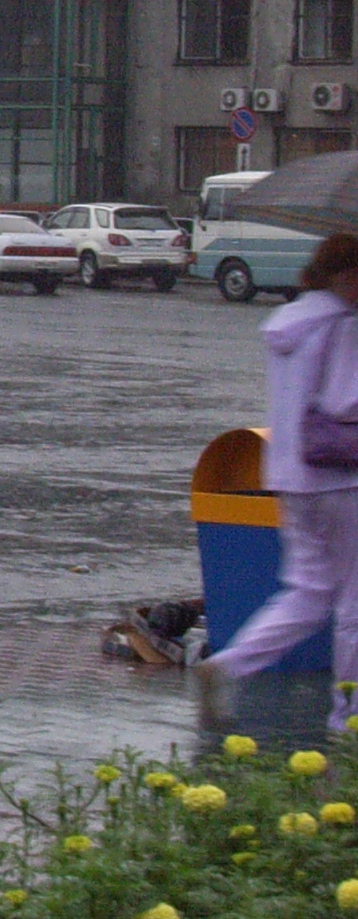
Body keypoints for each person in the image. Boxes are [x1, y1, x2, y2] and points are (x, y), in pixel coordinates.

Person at [196, 234, 358, 730]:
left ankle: (228, 665)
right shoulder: (343, 325)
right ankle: (349, 717)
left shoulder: (288, 321)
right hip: (342, 481)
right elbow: (346, 402)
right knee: (353, 602)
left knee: (308, 594)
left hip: (290, 477)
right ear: (347, 276)